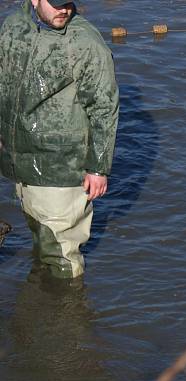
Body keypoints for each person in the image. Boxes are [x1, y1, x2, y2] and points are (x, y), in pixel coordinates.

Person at [0, 0, 119, 278]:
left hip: (62, 167)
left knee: (62, 252)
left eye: (68, 3)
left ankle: (68, 310)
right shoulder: (14, 24)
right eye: (56, 4)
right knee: (41, 235)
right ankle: (41, 301)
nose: (64, 9)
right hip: (20, 160)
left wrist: (98, 168)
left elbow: (104, 107)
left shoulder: (86, 43)